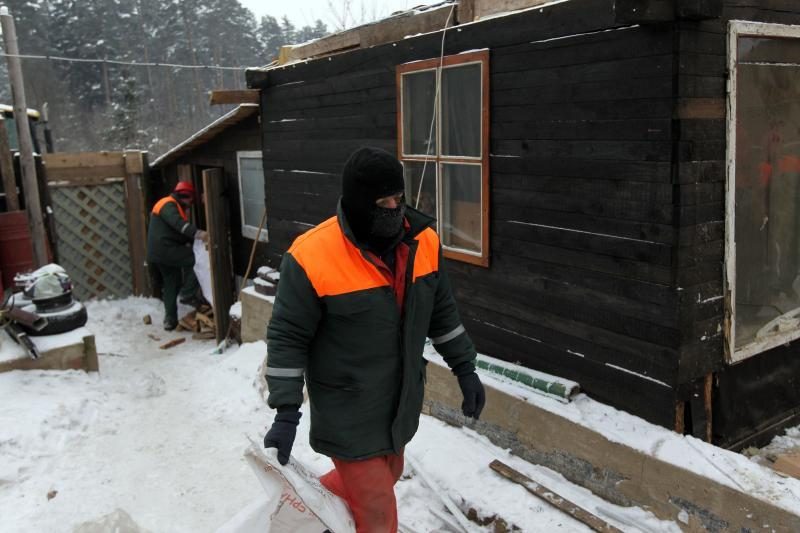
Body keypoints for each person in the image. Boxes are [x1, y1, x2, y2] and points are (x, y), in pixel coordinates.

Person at [263, 146, 486, 532]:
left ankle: (301, 513)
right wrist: (286, 411)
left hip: (398, 404)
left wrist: (465, 368)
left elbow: (442, 314)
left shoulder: (424, 243)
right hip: (346, 409)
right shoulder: (312, 256)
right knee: (379, 510)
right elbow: (287, 336)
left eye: (398, 198)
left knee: (386, 474)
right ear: (357, 203)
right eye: (382, 201)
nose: (394, 208)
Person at [146, 180, 208, 331]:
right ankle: (187, 294)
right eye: (190, 200)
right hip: (166, 250)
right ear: (185, 195)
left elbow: (176, 231)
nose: (190, 204)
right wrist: (200, 234)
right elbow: (179, 225)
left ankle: (170, 321)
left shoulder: (171, 205)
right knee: (197, 260)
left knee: (170, 283)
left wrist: (192, 239)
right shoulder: (168, 204)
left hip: (158, 253)